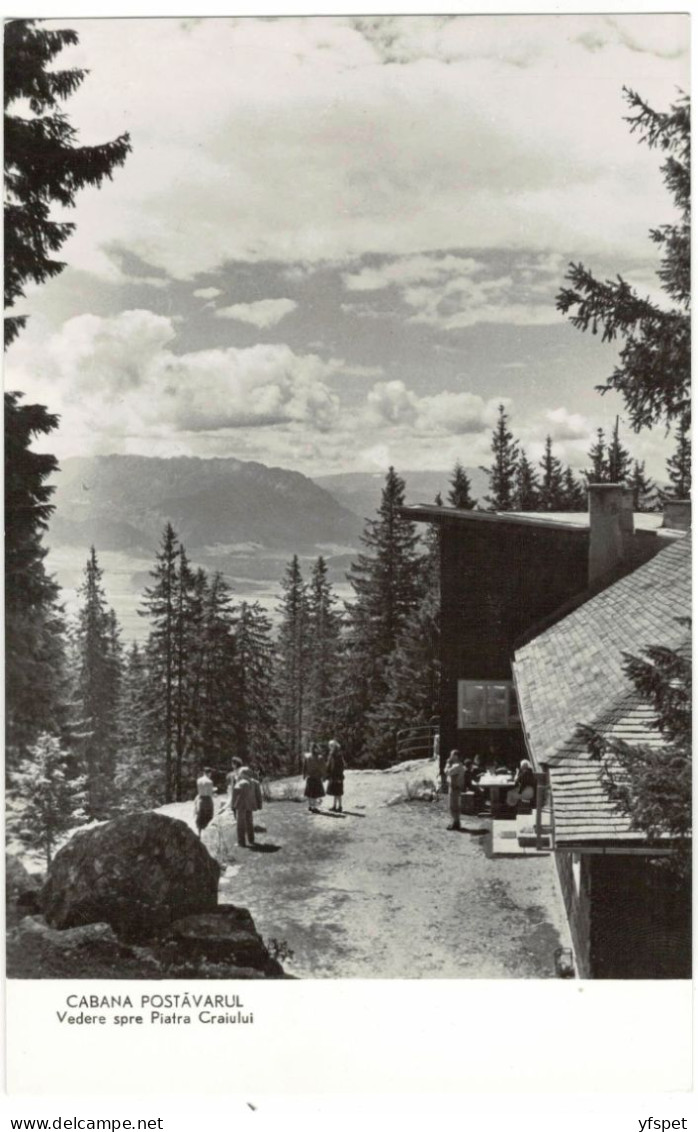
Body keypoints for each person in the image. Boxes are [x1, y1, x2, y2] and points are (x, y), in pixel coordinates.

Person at [231, 765, 263, 848]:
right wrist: (259, 804)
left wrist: (233, 805)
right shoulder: (254, 782)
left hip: (241, 805)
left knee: (240, 824)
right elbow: (258, 795)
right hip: (250, 805)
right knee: (249, 822)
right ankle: (251, 839)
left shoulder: (241, 783)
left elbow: (235, 794)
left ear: (243, 774)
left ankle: (241, 842)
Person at [445, 749, 465, 831]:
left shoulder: (457, 766)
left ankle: (455, 823)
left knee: (453, 806)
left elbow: (447, 772)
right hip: (454, 786)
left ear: (456, 756)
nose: (450, 756)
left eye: (452, 755)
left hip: (454, 787)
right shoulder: (457, 765)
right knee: (454, 805)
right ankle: (456, 822)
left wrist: (447, 764)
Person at [302, 742, 326, 813]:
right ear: (316, 749)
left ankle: (310, 806)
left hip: (310, 776)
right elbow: (322, 768)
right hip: (316, 777)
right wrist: (324, 776)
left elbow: (304, 767)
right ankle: (314, 807)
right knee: (315, 793)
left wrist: (304, 774)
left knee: (310, 792)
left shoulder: (307, 757)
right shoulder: (319, 757)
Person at [194, 766, 216, 837]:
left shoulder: (198, 780)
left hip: (200, 798)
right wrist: (214, 792)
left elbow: (199, 790)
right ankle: (208, 835)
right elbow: (210, 793)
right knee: (209, 816)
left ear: (204, 773)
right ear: (209, 773)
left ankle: (199, 833)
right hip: (207, 799)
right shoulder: (210, 781)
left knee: (200, 816)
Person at [325, 739, 345, 813]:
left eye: (332, 745)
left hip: (338, 775)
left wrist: (340, 776)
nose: (330, 747)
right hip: (333, 775)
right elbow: (329, 764)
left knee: (338, 792)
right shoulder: (331, 754)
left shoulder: (338, 755)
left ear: (335, 746)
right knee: (335, 791)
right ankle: (334, 806)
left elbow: (341, 766)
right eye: (330, 746)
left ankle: (339, 806)